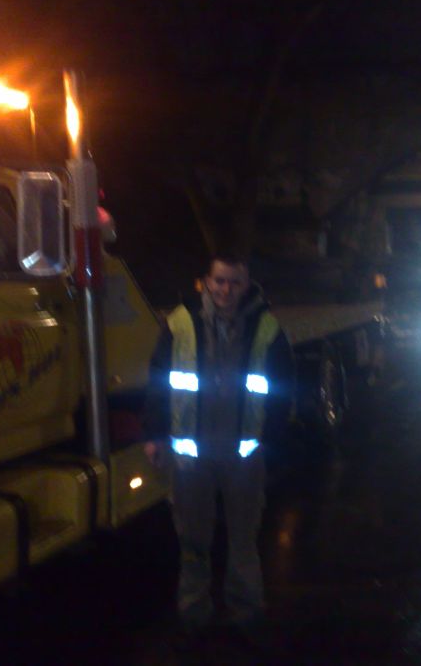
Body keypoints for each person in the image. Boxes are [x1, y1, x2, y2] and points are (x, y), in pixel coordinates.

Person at [143, 251, 294, 639]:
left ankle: (246, 614)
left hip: (243, 456)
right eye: (220, 281)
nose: (226, 290)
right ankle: (194, 614)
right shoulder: (179, 324)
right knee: (193, 540)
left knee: (244, 541)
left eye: (235, 282)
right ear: (206, 283)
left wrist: (272, 443)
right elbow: (159, 380)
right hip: (191, 457)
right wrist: (155, 435)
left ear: (246, 285)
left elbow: (282, 389)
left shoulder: (267, 328)